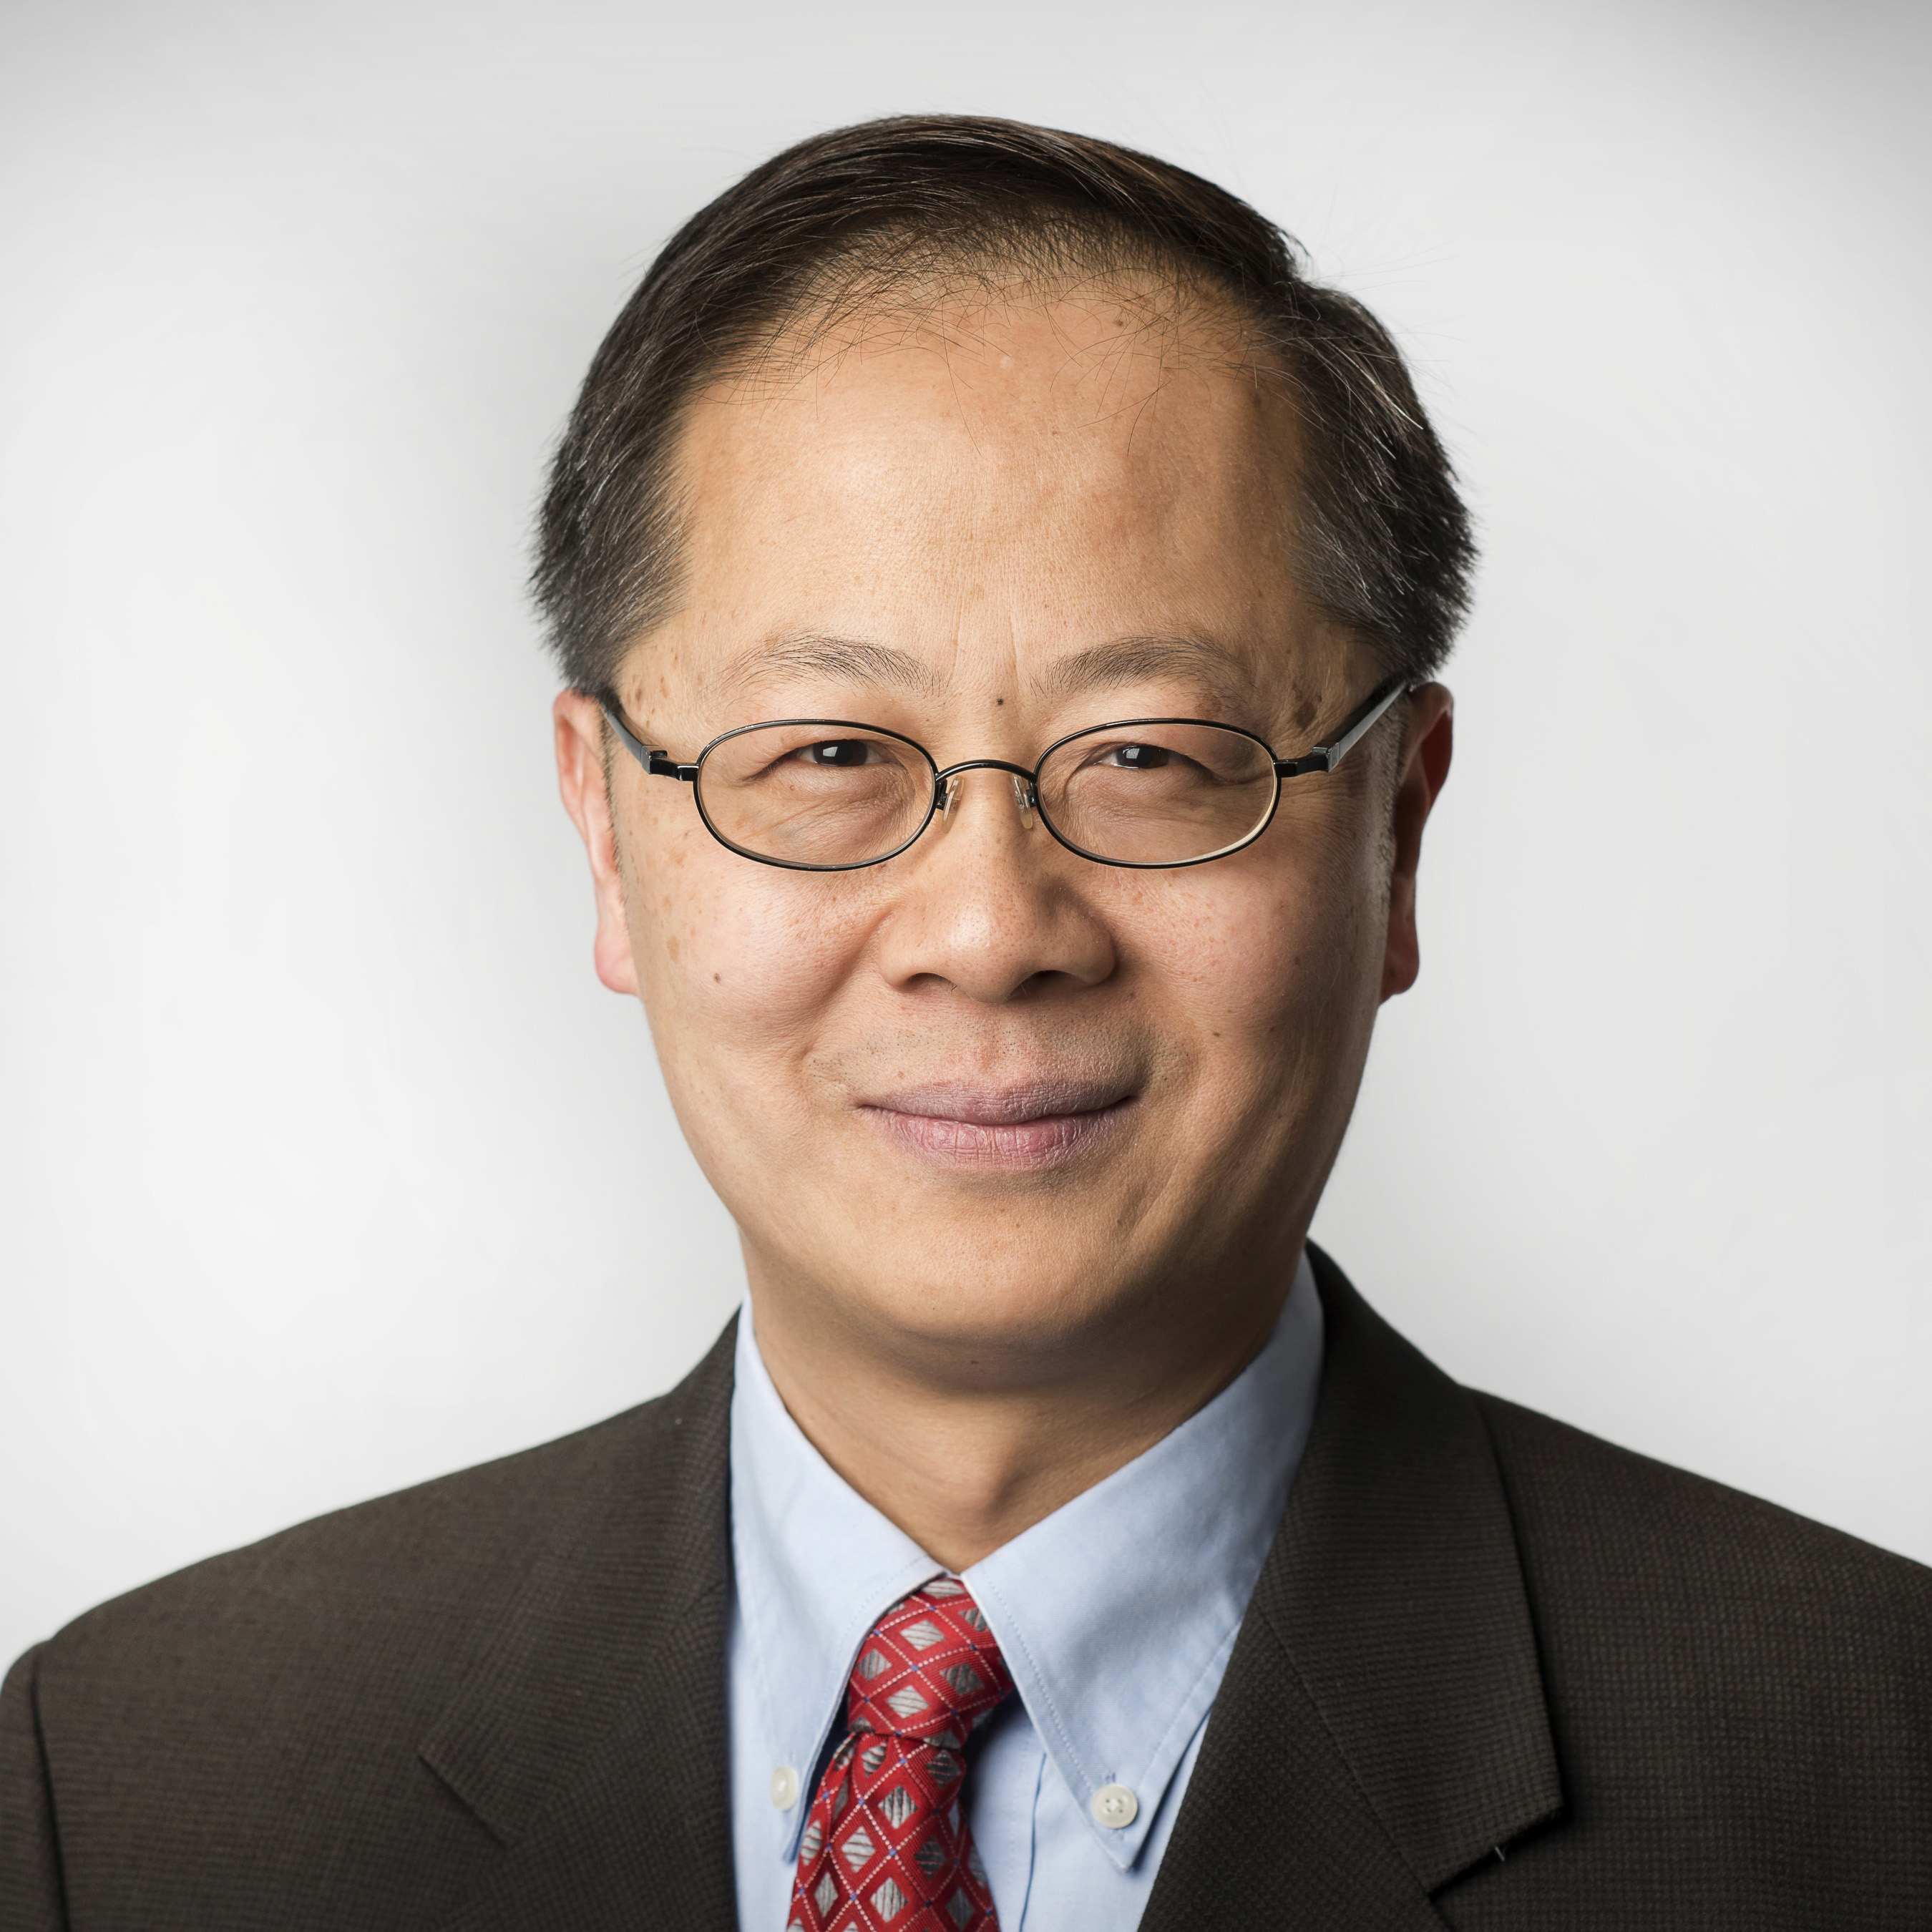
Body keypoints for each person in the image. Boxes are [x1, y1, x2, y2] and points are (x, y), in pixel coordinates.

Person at [3, 115, 1927, 1932]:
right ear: (604, 829)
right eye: (829, 751)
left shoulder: (1871, 1785)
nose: (991, 929)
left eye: (1157, 755)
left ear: (1396, 828)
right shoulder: (140, 1786)